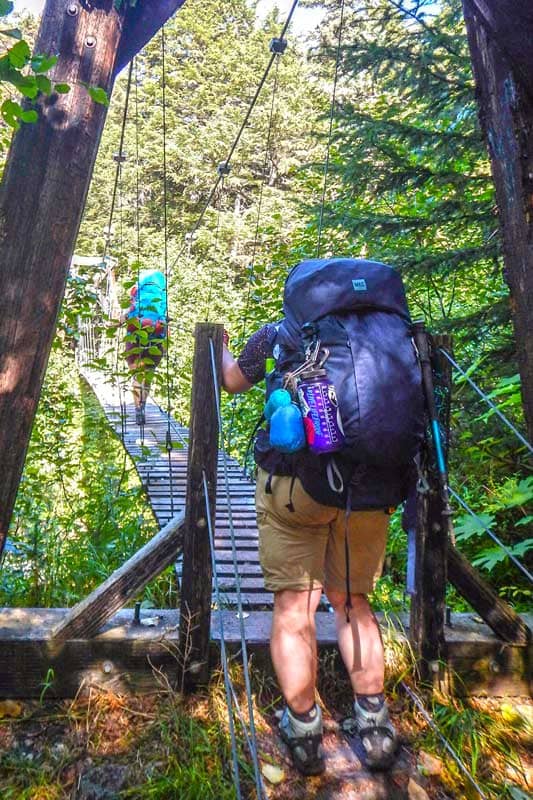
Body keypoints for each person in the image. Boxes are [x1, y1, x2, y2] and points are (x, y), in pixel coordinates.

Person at [221, 258, 423, 776]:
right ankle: (374, 725)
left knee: (295, 608)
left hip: (299, 487)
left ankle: (305, 729)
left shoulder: (279, 334)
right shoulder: (394, 338)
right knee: (353, 602)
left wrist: (220, 346)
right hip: (370, 488)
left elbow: (231, 381)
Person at [122, 269, 167, 426]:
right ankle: (143, 406)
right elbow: (164, 320)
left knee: (137, 375)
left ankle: (137, 409)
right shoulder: (162, 295)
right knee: (148, 374)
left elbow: (127, 314)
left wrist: (119, 320)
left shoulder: (135, 292)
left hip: (135, 337)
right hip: (156, 338)